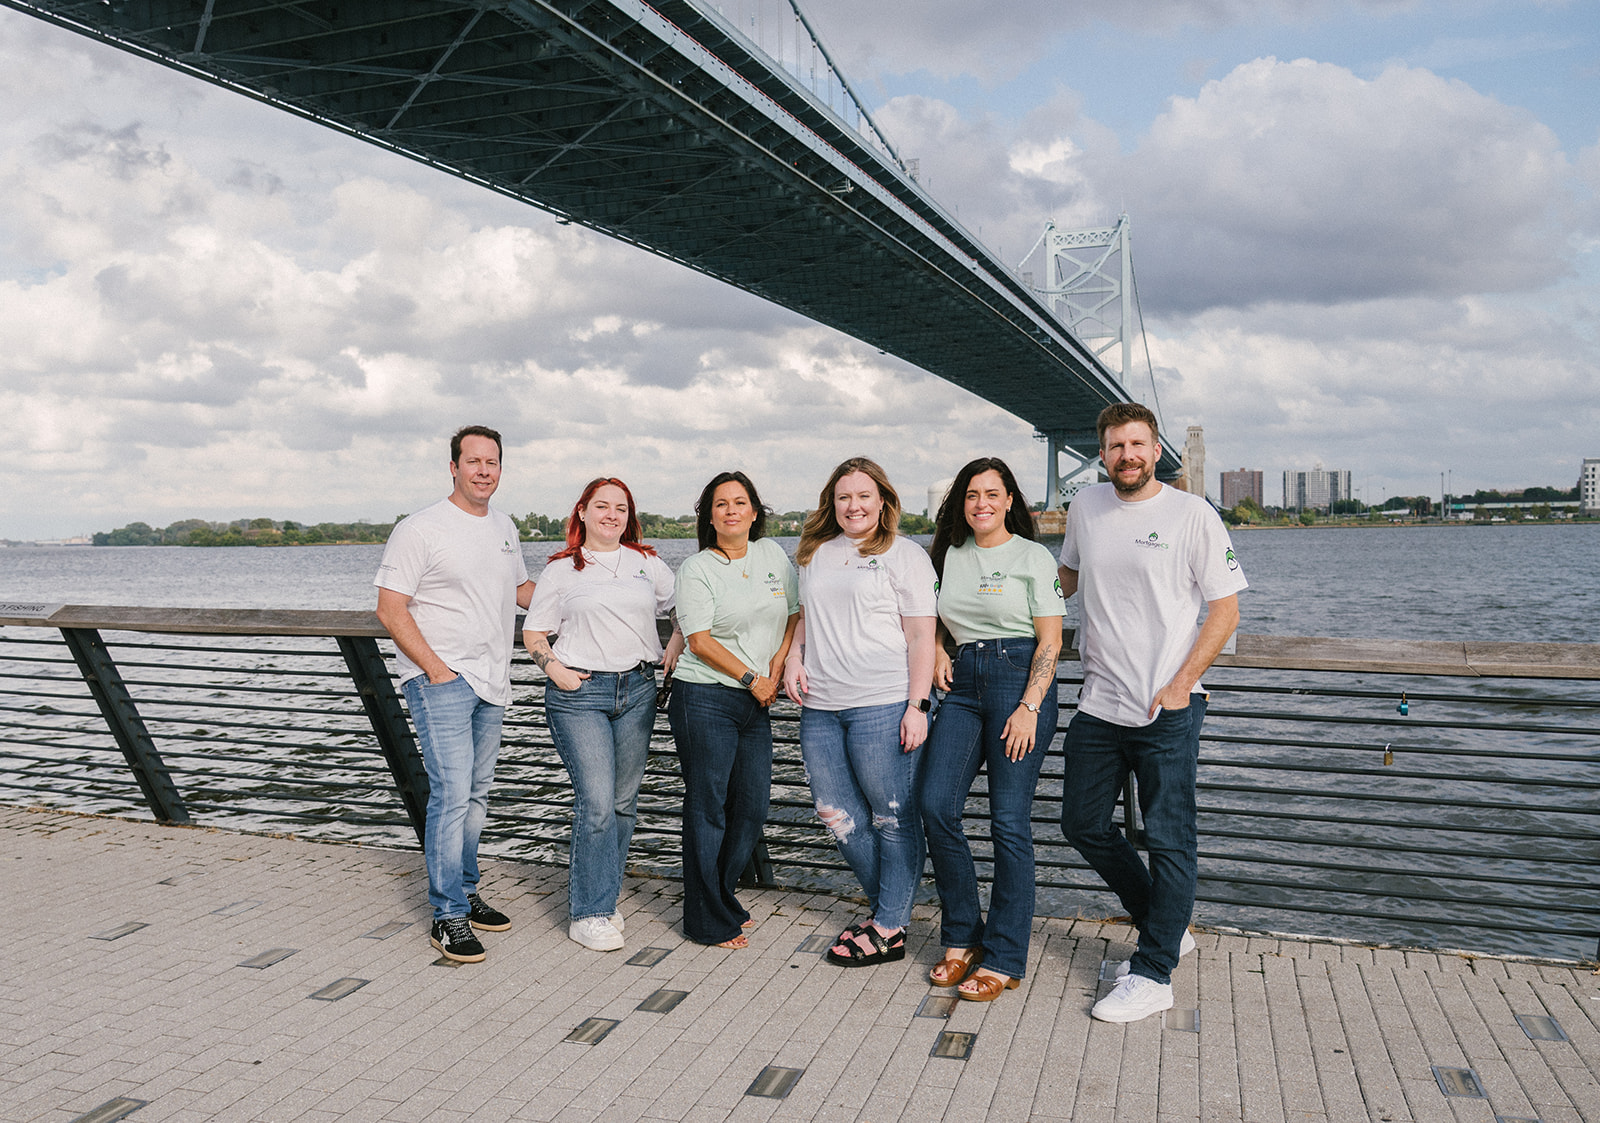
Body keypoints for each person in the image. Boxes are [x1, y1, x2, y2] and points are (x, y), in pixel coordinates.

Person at [1057, 403, 1247, 1022]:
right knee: (1082, 825)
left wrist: (1181, 684)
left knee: (1170, 838)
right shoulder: (1086, 507)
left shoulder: (1192, 514)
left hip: (1167, 707)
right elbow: (1063, 578)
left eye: (1137, 444)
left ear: (1156, 447)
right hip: (1099, 703)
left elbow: (1225, 612)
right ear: (1102, 453)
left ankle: (1154, 971)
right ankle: (1165, 923)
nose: (1127, 455)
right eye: (1115, 446)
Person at [374, 425, 535, 964]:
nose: (484, 471)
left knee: (477, 795)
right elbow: (390, 607)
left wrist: (590, 593)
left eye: (492, 463)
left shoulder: (504, 527)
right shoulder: (420, 529)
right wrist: (436, 670)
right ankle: (447, 916)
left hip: (493, 679)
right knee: (451, 795)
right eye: (474, 462)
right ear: (454, 467)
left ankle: (467, 893)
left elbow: (519, 592)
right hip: (442, 681)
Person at [782, 457, 937, 968]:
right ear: (832, 502)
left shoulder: (906, 554)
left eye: (864, 496)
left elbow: (921, 636)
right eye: (845, 497)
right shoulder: (813, 554)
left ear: (883, 501)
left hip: (884, 701)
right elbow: (806, 617)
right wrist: (793, 657)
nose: (854, 506)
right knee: (835, 814)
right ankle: (887, 911)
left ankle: (889, 925)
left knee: (891, 817)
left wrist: (918, 705)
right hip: (821, 706)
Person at [920, 458, 1064, 1001]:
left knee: (1008, 821)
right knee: (936, 805)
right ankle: (962, 933)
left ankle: (1003, 955)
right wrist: (936, 650)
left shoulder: (1033, 555)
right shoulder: (947, 555)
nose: (981, 502)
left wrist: (1029, 705)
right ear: (961, 503)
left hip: (1017, 682)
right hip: (962, 686)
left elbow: (1050, 640)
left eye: (992, 494)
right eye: (972, 494)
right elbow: (926, 616)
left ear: (1010, 502)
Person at [523, 478, 683, 952]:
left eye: (620, 507)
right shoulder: (561, 570)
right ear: (583, 511)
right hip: (581, 694)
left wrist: (675, 640)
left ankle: (604, 897)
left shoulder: (647, 563)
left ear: (628, 515)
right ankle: (587, 913)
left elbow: (684, 608)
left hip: (637, 690)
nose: (611, 515)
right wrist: (557, 671)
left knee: (621, 804)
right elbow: (535, 635)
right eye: (602, 506)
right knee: (595, 803)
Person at [668, 472, 800, 948]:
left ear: (753, 511)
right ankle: (705, 918)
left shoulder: (771, 556)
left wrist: (778, 667)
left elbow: (793, 614)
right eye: (720, 504)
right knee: (708, 808)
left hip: (756, 700)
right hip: (704, 697)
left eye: (739, 502)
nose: (730, 510)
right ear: (709, 515)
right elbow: (699, 641)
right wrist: (752, 677)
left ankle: (721, 896)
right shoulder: (696, 569)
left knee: (751, 806)